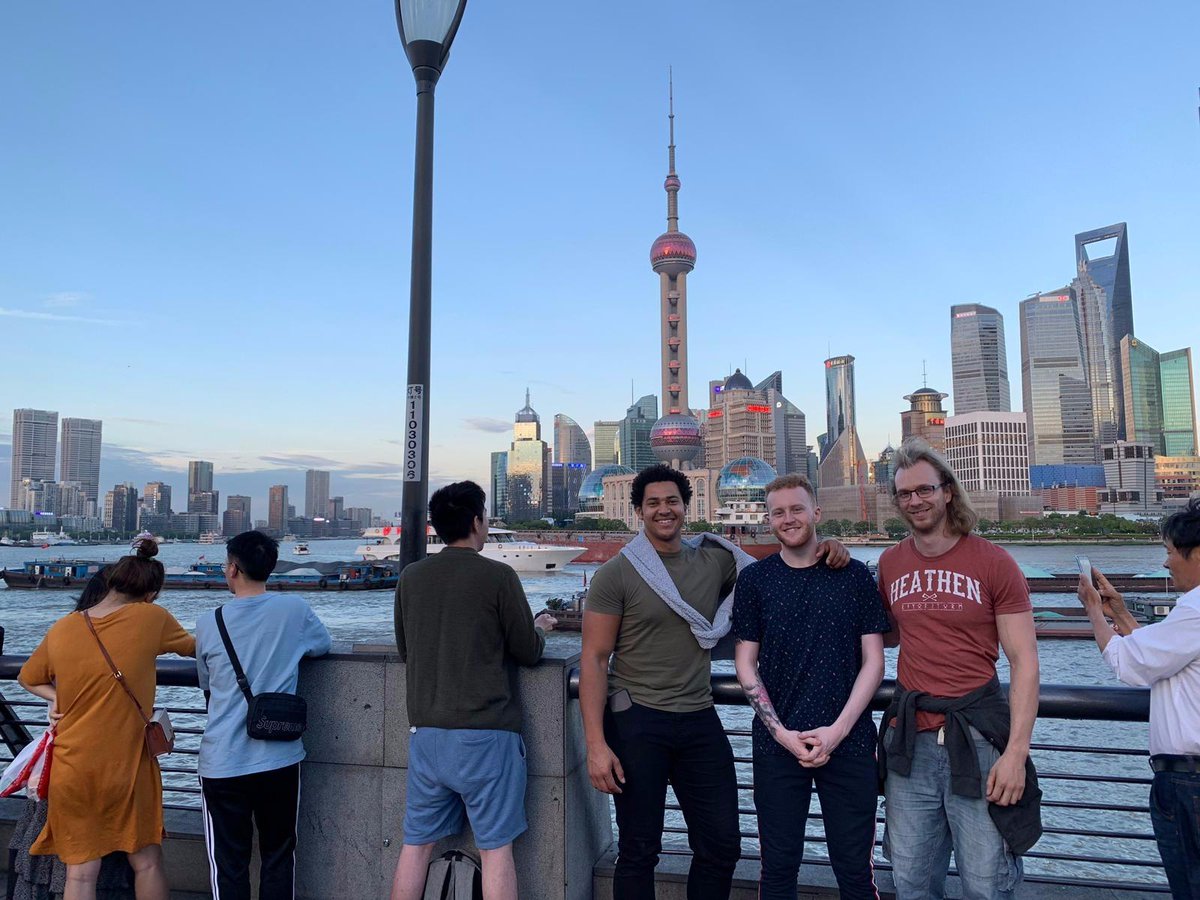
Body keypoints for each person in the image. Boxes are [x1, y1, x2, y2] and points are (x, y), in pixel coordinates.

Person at [581, 464, 850, 900]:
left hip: (699, 717)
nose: (663, 510)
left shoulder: (715, 558)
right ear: (638, 512)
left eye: (672, 501)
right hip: (636, 722)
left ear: (686, 507)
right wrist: (596, 746)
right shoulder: (618, 573)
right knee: (638, 848)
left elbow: (778, 572)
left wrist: (827, 549)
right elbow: (593, 660)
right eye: (653, 503)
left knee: (722, 844)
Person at [877, 438, 1041, 900]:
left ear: (947, 491)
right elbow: (880, 636)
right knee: (909, 880)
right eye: (905, 494)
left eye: (924, 489)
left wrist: (1015, 755)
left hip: (980, 742)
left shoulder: (993, 561)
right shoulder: (890, 563)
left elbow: (1025, 662)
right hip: (911, 745)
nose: (915, 501)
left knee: (987, 883)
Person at [390, 481, 556, 900]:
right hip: (487, 735)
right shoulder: (498, 575)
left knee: (416, 847)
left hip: (427, 734)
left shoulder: (411, 576)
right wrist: (539, 627)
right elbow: (527, 650)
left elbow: (406, 649)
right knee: (496, 851)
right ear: (477, 521)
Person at [732, 474, 887, 899]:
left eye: (797, 508)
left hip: (850, 741)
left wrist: (837, 731)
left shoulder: (854, 575)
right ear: (768, 520)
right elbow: (745, 662)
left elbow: (874, 662)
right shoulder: (755, 581)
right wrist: (780, 732)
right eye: (778, 512)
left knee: (856, 872)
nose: (788, 518)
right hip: (777, 745)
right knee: (778, 870)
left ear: (816, 512)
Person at [17, 535, 195, 900]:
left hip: (73, 766)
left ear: (111, 581)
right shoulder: (152, 617)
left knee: (80, 875)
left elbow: (28, 677)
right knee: (146, 862)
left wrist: (58, 698)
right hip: (128, 764)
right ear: (151, 593)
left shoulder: (65, 626)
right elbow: (196, 648)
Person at [194, 530, 331, 900]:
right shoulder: (295, 611)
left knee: (228, 863)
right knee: (278, 856)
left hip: (223, 762)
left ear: (233, 569)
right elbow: (322, 646)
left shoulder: (210, 622)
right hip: (279, 758)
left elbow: (206, 683)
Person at [1077, 497, 1200, 898]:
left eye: (1169, 552)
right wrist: (1121, 614)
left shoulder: (1196, 607)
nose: (1166, 563)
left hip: (1189, 782)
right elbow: (1161, 654)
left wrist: (1095, 611)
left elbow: (1130, 664)